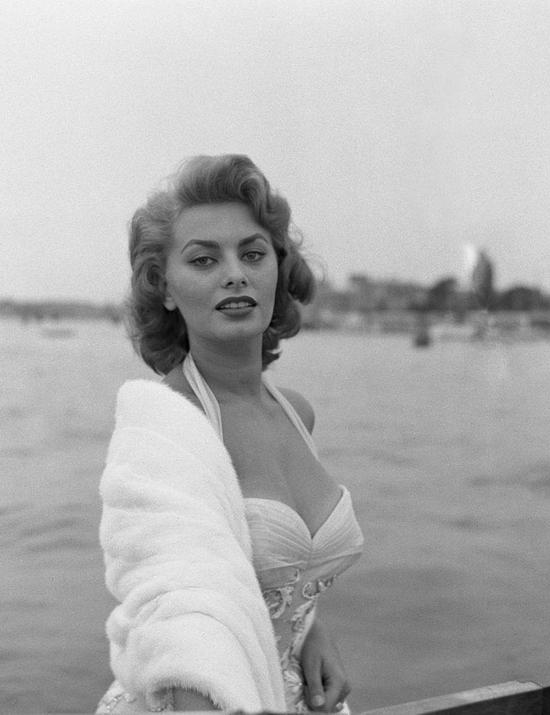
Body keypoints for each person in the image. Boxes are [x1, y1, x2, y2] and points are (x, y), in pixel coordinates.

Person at [96, 155, 364, 714]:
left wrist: (311, 630)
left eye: (252, 253)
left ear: (276, 271)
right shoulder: (164, 426)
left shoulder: (296, 413)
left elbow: (274, 575)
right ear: (165, 289)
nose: (234, 273)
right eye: (203, 259)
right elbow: (176, 611)